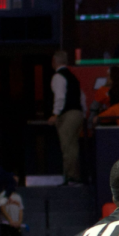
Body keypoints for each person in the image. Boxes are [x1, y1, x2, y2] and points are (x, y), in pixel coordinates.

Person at [48, 50, 87, 186]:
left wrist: (55, 114)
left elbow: (60, 97)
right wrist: (83, 113)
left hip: (68, 115)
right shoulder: (73, 77)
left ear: (54, 61)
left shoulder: (58, 77)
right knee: (73, 146)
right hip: (77, 114)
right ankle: (74, 176)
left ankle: (71, 178)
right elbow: (82, 97)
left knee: (68, 147)